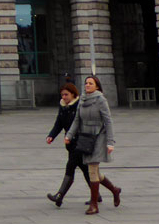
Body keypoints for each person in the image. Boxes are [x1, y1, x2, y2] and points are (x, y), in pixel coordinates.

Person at [64, 75, 120, 215]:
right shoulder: (82, 100)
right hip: (86, 137)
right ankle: (114, 190)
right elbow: (77, 120)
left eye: (90, 83)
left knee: (92, 169)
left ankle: (94, 204)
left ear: (97, 86)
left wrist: (110, 142)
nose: (87, 85)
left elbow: (108, 121)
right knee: (95, 172)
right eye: (86, 83)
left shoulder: (101, 100)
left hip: (99, 136)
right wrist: (69, 135)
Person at [44, 81, 82, 206]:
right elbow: (59, 123)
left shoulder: (79, 106)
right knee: (87, 170)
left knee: (70, 167)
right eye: (62, 95)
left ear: (73, 94)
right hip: (70, 143)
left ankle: (59, 195)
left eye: (66, 95)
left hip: (80, 143)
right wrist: (51, 135)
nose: (64, 97)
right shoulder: (63, 106)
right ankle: (108, 191)